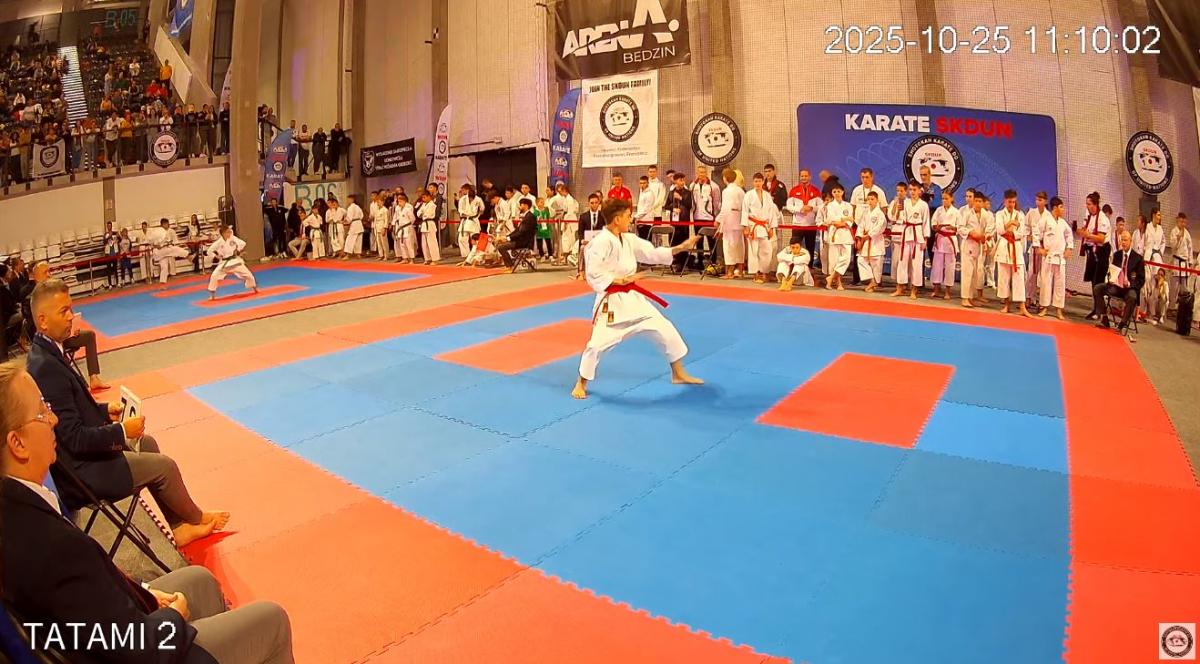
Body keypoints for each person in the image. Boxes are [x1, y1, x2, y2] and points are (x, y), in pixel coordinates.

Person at [0, 360, 295, 664]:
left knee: (201, 582)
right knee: (272, 621)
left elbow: (77, 618)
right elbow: (136, 648)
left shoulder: (17, 510)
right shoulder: (51, 545)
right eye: (42, 411)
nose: (53, 419)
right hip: (140, 649)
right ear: (18, 443)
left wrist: (144, 592)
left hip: (105, 632)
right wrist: (171, 618)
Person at [26, 280, 229, 546]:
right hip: (82, 474)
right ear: (42, 321)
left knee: (148, 443)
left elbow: (69, 411)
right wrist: (121, 431)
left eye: (71, 309)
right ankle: (197, 517)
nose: (71, 317)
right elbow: (74, 438)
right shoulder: (46, 367)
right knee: (165, 467)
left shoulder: (48, 352)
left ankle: (179, 527)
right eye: (63, 311)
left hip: (82, 460)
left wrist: (103, 410)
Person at [572, 198, 702, 400]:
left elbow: (652, 254)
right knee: (596, 345)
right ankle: (581, 382)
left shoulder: (629, 239)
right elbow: (593, 273)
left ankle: (678, 373)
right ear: (617, 219)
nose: (630, 219)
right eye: (627, 215)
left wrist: (680, 248)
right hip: (612, 302)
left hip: (634, 300)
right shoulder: (600, 243)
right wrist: (619, 280)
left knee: (665, 328)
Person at [1092, 230, 1145, 335]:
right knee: (1098, 288)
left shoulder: (1138, 258)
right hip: (1116, 287)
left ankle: (1122, 324)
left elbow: (1141, 280)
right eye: (1122, 240)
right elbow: (1112, 271)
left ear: (1130, 241)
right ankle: (1104, 318)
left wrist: (1129, 284)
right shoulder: (1117, 255)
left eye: (1125, 240)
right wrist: (1110, 279)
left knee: (1132, 296)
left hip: (1129, 289)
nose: (1123, 243)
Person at [994, 189, 1032, 317]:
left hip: (1015, 246)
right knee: (1004, 278)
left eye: (1014, 202)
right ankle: (1006, 304)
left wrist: (1011, 233)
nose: (1012, 204)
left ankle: (1022, 307)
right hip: (1004, 247)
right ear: (1005, 201)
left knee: (1019, 278)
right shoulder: (999, 214)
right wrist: (1010, 223)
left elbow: (1022, 233)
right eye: (1010, 202)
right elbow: (999, 230)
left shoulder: (1020, 215)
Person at [891, 180, 929, 299]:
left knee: (916, 264)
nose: (912, 192)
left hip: (918, 235)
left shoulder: (923, 205)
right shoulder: (905, 202)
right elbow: (897, 217)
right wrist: (897, 208)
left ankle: (914, 290)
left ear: (919, 191)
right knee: (902, 261)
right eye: (910, 190)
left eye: (914, 190)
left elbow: (926, 222)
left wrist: (925, 239)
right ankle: (900, 288)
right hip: (906, 232)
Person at [1037, 196, 1074, 320]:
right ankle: (1044, 307)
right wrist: (1040, 249)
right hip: (1048, 256)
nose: (1063, 209)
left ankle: (1059, 309)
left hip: (1060, 257)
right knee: (1046, 283)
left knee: (1060, 284)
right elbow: (1037, 235)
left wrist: (1069, 249)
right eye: (1061, 207)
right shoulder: (1045, 220)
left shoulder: (1063, 222)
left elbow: (1069, 235)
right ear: (1055, 208)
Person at [1079, 192, 1111, 319]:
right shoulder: (1089, 216)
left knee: (1098, 282)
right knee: (1093, 280)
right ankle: (1096, 309)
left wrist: (1089, 235)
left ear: (1095, 204)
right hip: (1092, 251)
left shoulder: (1102, 218)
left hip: (1102, 252)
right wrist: (1079, 231)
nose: (1087, 206)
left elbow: (1101, 238)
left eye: (1089, 204)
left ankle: (1101, 312)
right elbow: (1085, 231)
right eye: (1086, 204)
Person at [742, 173, 778, 284]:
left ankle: (765, 272)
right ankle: (755, 273)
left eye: (759, 181)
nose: (758, 183)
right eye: (756, 181)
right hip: (753, 225)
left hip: (764, 226)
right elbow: (744, 211)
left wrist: (771, 227)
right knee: (753, 250)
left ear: (763, 182)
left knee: (767, 250)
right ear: (753, 182)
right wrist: (745, 227)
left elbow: (771, 212)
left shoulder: (767, 195)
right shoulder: (748, 195)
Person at [960, 193, 995, 307]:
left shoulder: (986, 215)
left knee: (974, 274)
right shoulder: (967, 213)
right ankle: (965, 298)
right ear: (973, 201)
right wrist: (971, 233)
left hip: (979, 245)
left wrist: (986, 236)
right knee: (967, 273)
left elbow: (991, 228)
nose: (978, 203)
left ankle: (971, 297)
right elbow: (960, 228)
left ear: (983, 203)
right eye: (976, 201)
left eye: (980, 201)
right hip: (968, 244)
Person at [206, 225, 258, 300]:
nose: (229, 233)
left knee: (248, 275)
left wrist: (238, 250)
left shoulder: (233, 238)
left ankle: (255, 289)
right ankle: (212, 295)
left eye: (229, 232)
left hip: (234, 261)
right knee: (214, 276)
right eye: (227, 232)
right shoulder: (218, 242)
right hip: (224, 263)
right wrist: (216, 256)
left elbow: (242, 243)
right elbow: (209, 251)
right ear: (223, 233)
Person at [786, 169, 822, 264]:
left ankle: (809, 267)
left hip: (811, 224)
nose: (804, 178)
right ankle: (795, 265)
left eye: (806, 176)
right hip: (797, 224)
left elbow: (821, 206)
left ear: (810, 177)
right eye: (802, 176)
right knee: (795, 246)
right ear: (799, 177)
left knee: (810, 247)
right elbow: (789, 206)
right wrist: (800, 209)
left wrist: (811, 208)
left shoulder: (816, 190)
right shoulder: (794, 190)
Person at [929, 191, 960, 299]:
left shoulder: (956, 212)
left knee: (949, 267)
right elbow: (933, 224)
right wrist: (937, 227)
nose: (944, 200)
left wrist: (953, 228)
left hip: (950, 240)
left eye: (946, 198)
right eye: (943, 198)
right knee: (937, 266)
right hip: (940, 239)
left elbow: (960, 227)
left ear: (951, 199)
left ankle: (947, 291)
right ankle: (936, 289)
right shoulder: (938, 210)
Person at [855, 191, 887, 292]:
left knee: (876, 263)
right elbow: (860, 225)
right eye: (868, 199)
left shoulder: (880, 214)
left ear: (877, 200)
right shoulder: (866, 212)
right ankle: (872, 280)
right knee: (861, 260)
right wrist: (859, 237)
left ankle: (874, 284)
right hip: (865, 240)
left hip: (875, 241)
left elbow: (880, 227)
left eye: (872, 199)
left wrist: (869, 235)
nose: (870, 201)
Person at [1024, 192, 1052, 308]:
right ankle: (1028, 298)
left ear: (1045, 201)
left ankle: (1041, 301)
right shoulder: (1031, 212)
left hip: (1045, 247)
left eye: (1040, 200)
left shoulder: (1049, 215)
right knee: (1031, 273)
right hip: (1035, 247)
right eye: (1036, 200)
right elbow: (1026, 227)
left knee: (1044, 275)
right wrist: (1029, 237)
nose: (1038, 202)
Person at [663, 172, 694, 273]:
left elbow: (690, 205)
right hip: (674, 222)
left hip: (684, 221)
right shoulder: (671, 193)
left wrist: (681, 198)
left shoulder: (688, 192)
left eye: (683, 180)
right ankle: (675, 262)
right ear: (675, 181)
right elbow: (666, 206)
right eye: (680, 180)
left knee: (683, 242)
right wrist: (673, 208)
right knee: (674, 242)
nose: (682, 182)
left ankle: (684, 263)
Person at [717, 167, 745, 279]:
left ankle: (730, 272)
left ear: (725, 178)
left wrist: (718, 220)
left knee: (729, 247)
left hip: (729, 222)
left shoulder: (726, 191)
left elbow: (725, 208)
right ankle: (740, 270)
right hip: (739, 221)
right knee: (739, 246)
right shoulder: (740, 190)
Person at [148, 219, 191, 289]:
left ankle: (162, 284)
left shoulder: (171, 231)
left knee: (164, 267)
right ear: (162, 224)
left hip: (166, 250)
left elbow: (175, 241)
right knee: (175, 249)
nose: (167, 225)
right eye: (165, 224)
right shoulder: (158, 232)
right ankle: (188, 256)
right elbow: (151, 242)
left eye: (167, 223)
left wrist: (171, 243)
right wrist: (156, 245)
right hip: (160, 251)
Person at [498, 198, 538, 268]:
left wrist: (508, 239)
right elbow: (517, 230)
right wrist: (506, 237)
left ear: (526, 205)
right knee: (500, 244)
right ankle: (509, 265)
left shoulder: (530, 217)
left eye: (521, 205)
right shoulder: (526, 216)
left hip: (524, 242)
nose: (519, 207)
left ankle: (510, 265)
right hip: (520, 240)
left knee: (501, 247)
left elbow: (522, 232)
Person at [548, 183, 580, 266]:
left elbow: (570, 212)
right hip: (566, 219)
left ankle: (568, 258)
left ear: (565, 191)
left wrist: (566, 222)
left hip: (569, 222)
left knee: (568, 240)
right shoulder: (567, 199)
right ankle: (565, 258)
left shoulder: (570, 199)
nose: (560, 193)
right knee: (565, 240)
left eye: (561, 191)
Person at [1168, 213, 1193, 312]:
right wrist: (1178, 238)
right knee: (1174, 287)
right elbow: (1173, 247)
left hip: (1184, 263)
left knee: (1184, 288)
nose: (1183, 224)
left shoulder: (1187, 233)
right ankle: (1171, 308)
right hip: (1176, 261)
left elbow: (1190, 248)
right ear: (1177, 221)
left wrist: (1190, 262)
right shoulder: (1174, 232)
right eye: (1181, 221)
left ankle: (1182, 309)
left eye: (1184, 222)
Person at [456, 184, 484, 259]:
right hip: (465, 221)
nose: (471, 199)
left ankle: (477, 256)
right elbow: (460, 209)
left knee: (476, 239)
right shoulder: (462, 199)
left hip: (474, 220)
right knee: (461, 239)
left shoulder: (478, 199)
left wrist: (477, 215)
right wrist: (463, 214)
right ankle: (466, 256)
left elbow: (482, 209)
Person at [391, 193, 417, 263]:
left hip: (407, 227)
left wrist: (408, 225)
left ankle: (412, 259)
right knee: (402, 244)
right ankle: (405, 258)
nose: (399, 203)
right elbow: (395, 217)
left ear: (404, 201)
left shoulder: (408, 209)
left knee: (409, 244)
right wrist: (393, 225)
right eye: (398, 201)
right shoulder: (398, 208)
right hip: (400, 228)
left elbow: (413, 219)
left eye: (400, 201)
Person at [416, 191, 441, 264]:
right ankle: (427, 259)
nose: (423, 199)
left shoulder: (432, 205)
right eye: (422, 197)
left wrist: (422, 213)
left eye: (424, 197)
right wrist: (422, 213)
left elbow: (428, 214)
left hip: (430, 224)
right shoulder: (423, 204)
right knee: (424, 244)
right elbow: (418, 214)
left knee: (432, 243)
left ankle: (435, 259)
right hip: (424, 225)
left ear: (429, 196)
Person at [645, 165, 667, 239]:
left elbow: (660, 199)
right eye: (650, 172)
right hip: (646, 215)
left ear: (656, 172)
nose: (652, 173)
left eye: (653, 172)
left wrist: (651, 207)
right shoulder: (645, 184)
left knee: (657, 235)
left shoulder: (660, 184)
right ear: (648, 172)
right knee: (647, 236)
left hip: (656, 214)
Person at [344, 193, 365, 259]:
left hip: (354, 224)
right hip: (359, 223)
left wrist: (345, 222)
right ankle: (358, 254)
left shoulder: (350, 207)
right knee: (358, 240)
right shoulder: (358, 207)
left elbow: (349, 218)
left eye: (348, 199)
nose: (347, 201)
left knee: (350, 239)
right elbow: (362, 216)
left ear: (352, 199)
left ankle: (348, 254)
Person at [371, 195, 390, 261]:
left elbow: (386, 220)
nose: (378, 203)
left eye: (379, 202)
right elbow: (375, 219)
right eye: (377, 202)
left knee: (384, 242)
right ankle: (381, 255)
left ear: (382, 202)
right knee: (379, 242)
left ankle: (386, 255)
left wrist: (384, 228)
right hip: (377, 227)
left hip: (382, 227)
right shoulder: (377, 210)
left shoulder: (385, 210)